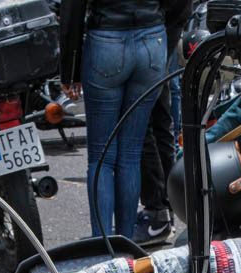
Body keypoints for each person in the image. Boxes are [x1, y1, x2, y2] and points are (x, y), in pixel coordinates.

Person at [60, 0, 175, 239]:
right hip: (153, 40)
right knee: (130, 155)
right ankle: (124, 244)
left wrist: (69, 70)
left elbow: (72, 9)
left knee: (101, 158)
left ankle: (102, 247)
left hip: (107, 40)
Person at [135, 0, 189, 246]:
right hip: (163, 23)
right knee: (157, 116)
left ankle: (159, 210)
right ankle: (165, 206)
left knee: (144, 120)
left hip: (155, 25)